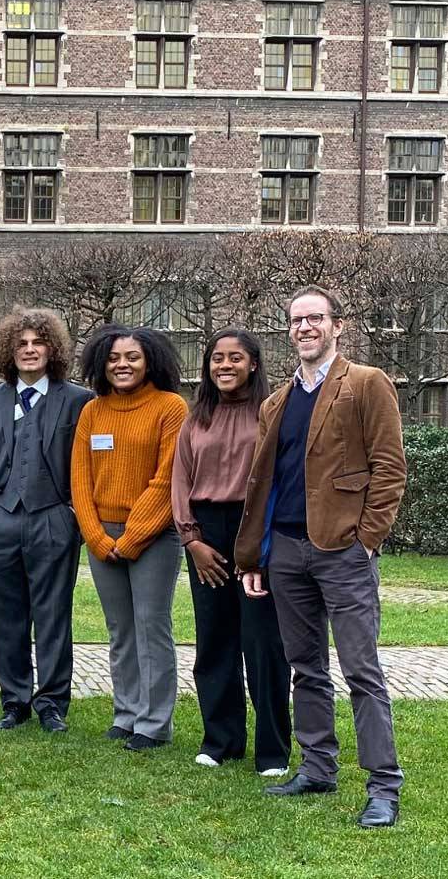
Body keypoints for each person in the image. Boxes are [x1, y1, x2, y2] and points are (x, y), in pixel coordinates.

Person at [236, 285, 408, 829]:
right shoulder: (275, 402)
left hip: (344, 552)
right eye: (295, 321)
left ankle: (383, 786)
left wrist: (367, 539)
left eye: (315, 318)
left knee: (361, 671)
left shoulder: (366, 383)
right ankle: (317, 767)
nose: (304, 328)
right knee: (305, 668)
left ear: (338, 325)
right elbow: (266, 483)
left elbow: (390, 469)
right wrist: (257, 556)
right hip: (286, 552)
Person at [170, 330, 290, 776]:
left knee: (263, 644)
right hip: (205, 532)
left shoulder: (270, 414)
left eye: (234, 358)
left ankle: (273, 751)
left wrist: (259, 545)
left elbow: (279, 481)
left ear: (253, 364)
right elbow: (179, 481)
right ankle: (221, 741)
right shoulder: (195, 416)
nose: (224, 365)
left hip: (254, 530)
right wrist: (192, 540)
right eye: (217, 358)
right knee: (214, 640)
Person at [0, 308, 92, 732]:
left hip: (53, 519)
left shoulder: (78, 400)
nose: (30, 350)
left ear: (52, 349)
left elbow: (86, 464)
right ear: (8, 350)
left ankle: (52, 702)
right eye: (21, 343)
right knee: (5, 615)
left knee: (53, 612)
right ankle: (14, 699)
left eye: (38, 342)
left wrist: (74, 515)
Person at [71, 325, 188, 752]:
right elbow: (80, 480)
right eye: (114, 358)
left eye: (132, 357)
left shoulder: (170, 407)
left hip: (154, 536)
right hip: (103, 537)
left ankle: (154, 724)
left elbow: (166, 479)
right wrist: (98, 539)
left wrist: (134, 536)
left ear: (150, 360)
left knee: (150, 626)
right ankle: (126, 713)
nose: (123, 365)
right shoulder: (93, 411)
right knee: (120, 630)